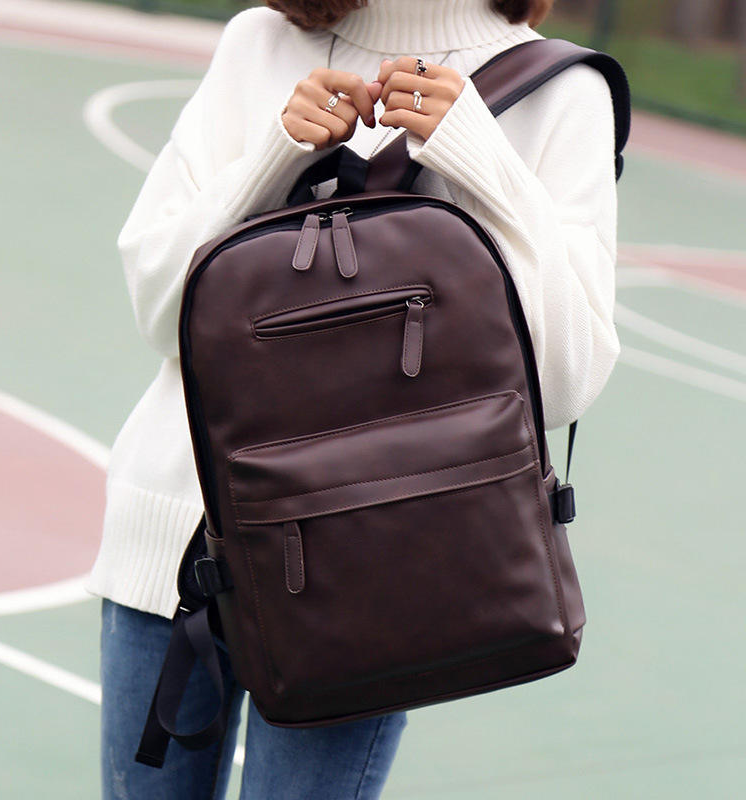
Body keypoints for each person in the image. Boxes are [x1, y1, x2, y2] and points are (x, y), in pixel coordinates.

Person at [87, 0, 620, 797]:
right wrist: (273, 155)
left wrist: (479, 157)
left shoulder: (562, 93)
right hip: (173, 553)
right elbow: (159, 309)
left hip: (369, 577)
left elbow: (570, 377)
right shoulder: (261, 43)